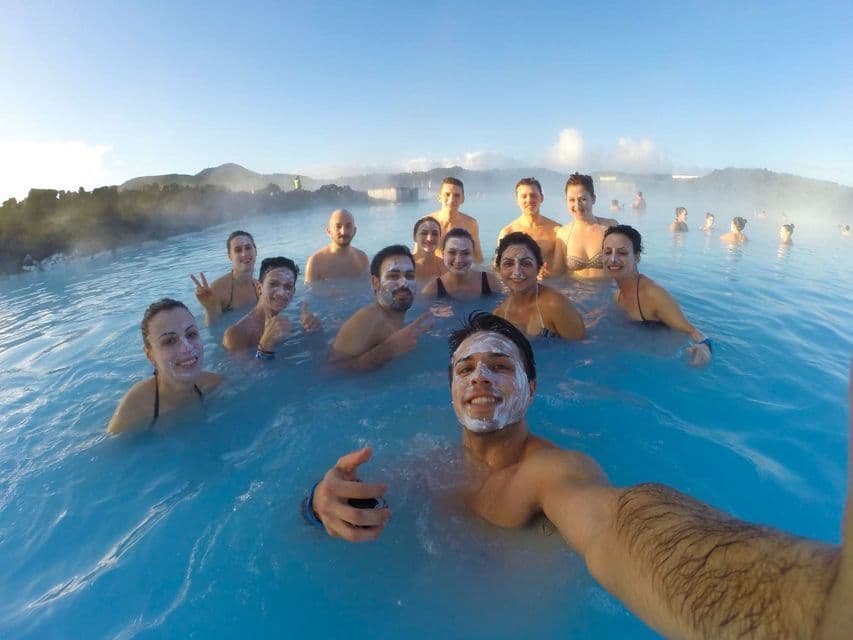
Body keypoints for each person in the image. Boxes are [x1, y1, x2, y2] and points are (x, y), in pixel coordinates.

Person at [307, 312, 853, 640]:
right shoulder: (427, 458)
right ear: (449, 390)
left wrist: (815, 613)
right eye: (465, 368)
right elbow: (343, 508)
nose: (480, 376)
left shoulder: (552, 473)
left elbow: (617, 526)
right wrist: (319, 502)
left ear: (531, 390)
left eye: (500, 366)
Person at [602, 225, 711, 366]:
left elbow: (694, 333)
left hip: (666, 360)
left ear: (636, 257)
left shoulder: (652, 294)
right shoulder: (617, 294)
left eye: (622, 253)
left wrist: (704, 348)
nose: (613, 259)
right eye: (607, 252)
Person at [108, 299, 221, 433]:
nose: (187, 348)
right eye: (169, 341)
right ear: (150, 355)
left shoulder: (214, 385)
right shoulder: (134, 410)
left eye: (191, 334)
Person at [329, 245, 432, 371]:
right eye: (393, 276)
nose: (404, 283)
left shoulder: (392, 320)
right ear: (375, 282)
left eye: (409, 276)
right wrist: (389, 350)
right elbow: (330, 372)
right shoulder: (367, 319)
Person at [493, 232, 584, 340]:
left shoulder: (555, 304)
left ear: (539, 269)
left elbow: (581, 347)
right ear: (499, 270)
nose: (517, 272)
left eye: (526, 264)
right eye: (508, 264)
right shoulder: (499, 315)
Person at [223, 257, 321, 356]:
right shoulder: (235, 334)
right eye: (273, 284)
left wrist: (312, 333)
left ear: (293, 292)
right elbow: (245, 371)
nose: (281, 293)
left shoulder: (286, 323)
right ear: (259, 287)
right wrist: (265, 344)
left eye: (288, 287)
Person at [552, 173, 618, 279]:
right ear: (566, 201)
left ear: (593, 199)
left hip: (608, 293)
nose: (577, 206)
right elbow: (557, 274)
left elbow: (627, 264)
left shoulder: (610, 227)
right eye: (572, 200)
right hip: (575, 294)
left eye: (583, 199)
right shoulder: (563, 234)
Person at [190, 230, 258, 325]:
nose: (244, 254)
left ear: (255, 250)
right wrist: (209, 308)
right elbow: (213, 330)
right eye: (238, 250)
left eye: (248, 248)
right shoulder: (217, 290)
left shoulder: (260, 286)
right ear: (230, 256)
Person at [498, 177, 562, 278]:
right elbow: (498, 267)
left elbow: (565, 268)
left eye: (533, 195)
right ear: (517, 200)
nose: (529, 200)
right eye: (524, 196)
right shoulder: (508, 232)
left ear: (542, 198)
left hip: (550, 285)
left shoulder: (557, 231)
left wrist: (551, 274)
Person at [421, 228, 500, 300]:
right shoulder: (431, 290)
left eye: (465, 253)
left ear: (472, 254)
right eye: (452, 252)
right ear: (442, 254)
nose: (458, 260)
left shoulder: (490, 281)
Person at [304, 209, 369, 283]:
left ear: (354, 231)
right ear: (329, 232)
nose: (343, 231)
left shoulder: (363, 258)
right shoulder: (315, 263)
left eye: (348, 226)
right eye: (338, 226)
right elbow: (309, 293)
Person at [427, 178, 484, 263]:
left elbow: (478, 258)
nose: (452, 199)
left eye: (457, 195)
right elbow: (417, 257)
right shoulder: (427, 223)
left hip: (460, 271)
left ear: (463, 199)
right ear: (439, 197)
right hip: (434, 272)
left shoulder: (470, 224)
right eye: (447, 194)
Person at [411, 216, 446, 280]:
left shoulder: (446, 267)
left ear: (440, 238)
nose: (429, 239)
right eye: (424, 233)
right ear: (414, 237)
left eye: (435, 234)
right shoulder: (406, 265)